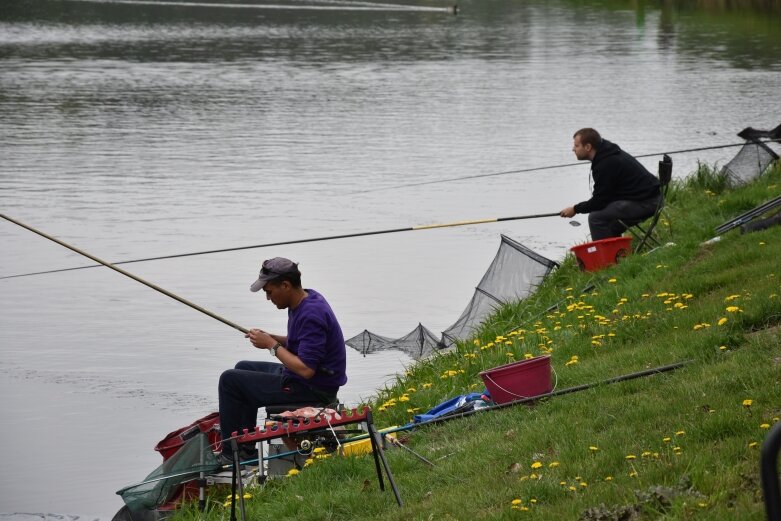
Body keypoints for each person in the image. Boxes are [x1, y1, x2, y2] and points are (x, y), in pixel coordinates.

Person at [217, 257, 347, 463]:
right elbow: (303, 341)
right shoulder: (306, 299)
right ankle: (245, 447)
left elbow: (306, 369)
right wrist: (273, 337)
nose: (268, 298)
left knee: (229, 381)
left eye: (269, 292)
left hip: (313, 387)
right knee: (242, 367)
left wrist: (271, 344)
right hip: (306, 379)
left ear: (285, 285)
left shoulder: (311, 313)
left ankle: (232, 454)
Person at [559, 128, 661, 241]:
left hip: (648, 203)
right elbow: (605, 197)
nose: (573, 149)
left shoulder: (605, 164)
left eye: (576, 146)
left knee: (595, 217)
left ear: (588, 147)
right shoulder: (607, 153)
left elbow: (599, 202)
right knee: (609, 222)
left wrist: (575, 209)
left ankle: (603, 257)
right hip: (649, 199)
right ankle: (617, 254)